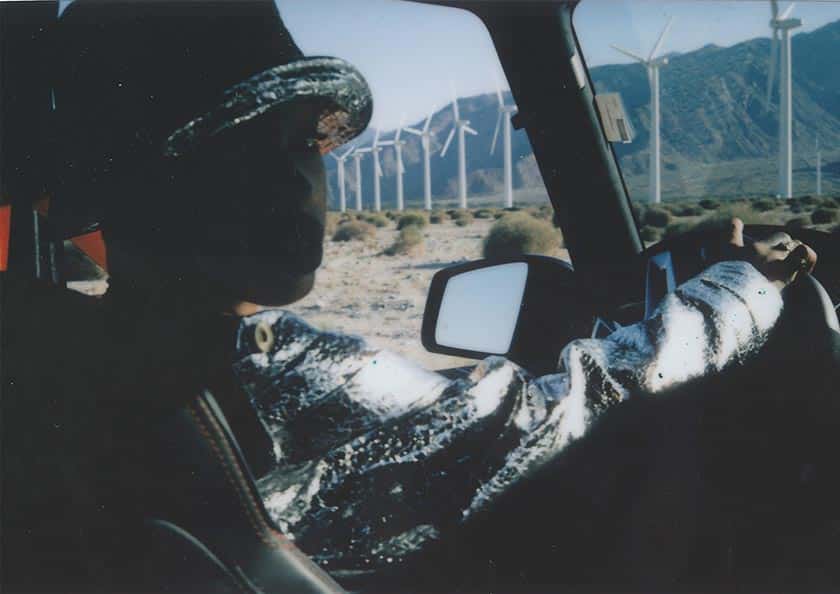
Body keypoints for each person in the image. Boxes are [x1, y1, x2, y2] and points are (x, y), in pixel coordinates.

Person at [4, 1, 833, 593]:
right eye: (242, 146)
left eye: (307, 141)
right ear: (139, 187)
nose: (298, 177)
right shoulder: (271, 379)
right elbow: (579, 409)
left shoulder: (59, 362)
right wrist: (746, 283)